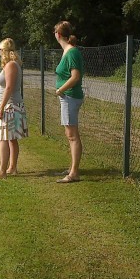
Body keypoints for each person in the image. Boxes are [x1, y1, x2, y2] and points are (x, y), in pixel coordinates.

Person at [0, 38, 28, 180]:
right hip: (13, 105)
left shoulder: (11, 65)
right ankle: (12, 167)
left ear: (4, 51)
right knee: (11, 139)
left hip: (11, 106)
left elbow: (9, 87)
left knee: (4, 139)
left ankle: (2, 171)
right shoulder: (12, 64)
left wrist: (2, 107)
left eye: (0, 50)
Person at [53, 21, 85, 183]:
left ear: (58, 34)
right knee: (70, 134)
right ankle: (73, 167)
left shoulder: (71, 52)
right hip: (68, 97)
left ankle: (74, 173)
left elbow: (75, 76)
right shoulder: (67, 51)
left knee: (72, 135)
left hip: (70, 96)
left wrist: (61, 90)